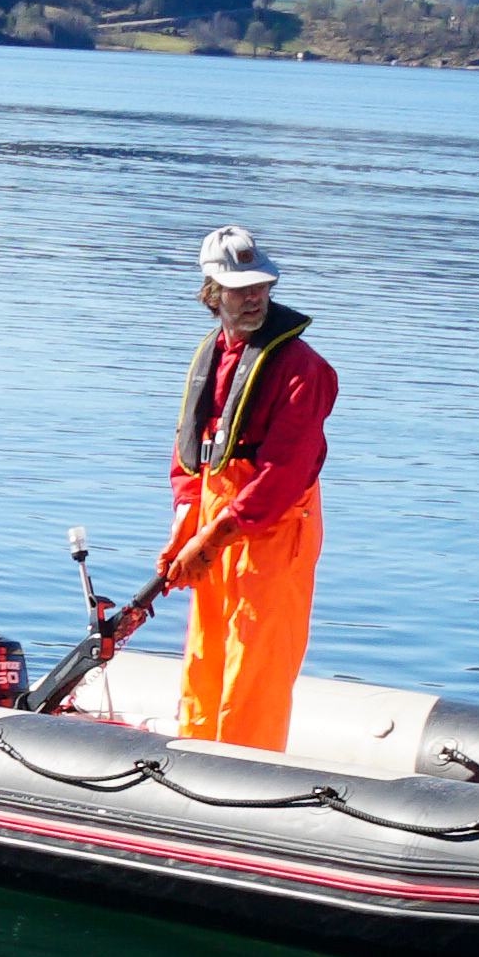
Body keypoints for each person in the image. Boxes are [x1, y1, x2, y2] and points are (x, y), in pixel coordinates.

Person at [113, 225, 336, 750]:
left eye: (261, 286)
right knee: (207, 649)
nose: (254, 297)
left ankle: (244, 769)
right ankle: (194, 754)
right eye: (240, 288)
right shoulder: (212, 356)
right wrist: (184, 526)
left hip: (272, 532)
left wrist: (211, 539)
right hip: (218, 519)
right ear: (213, 292)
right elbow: (192, 457)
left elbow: (282, 474)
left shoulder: (305, 370)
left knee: (253, 659)